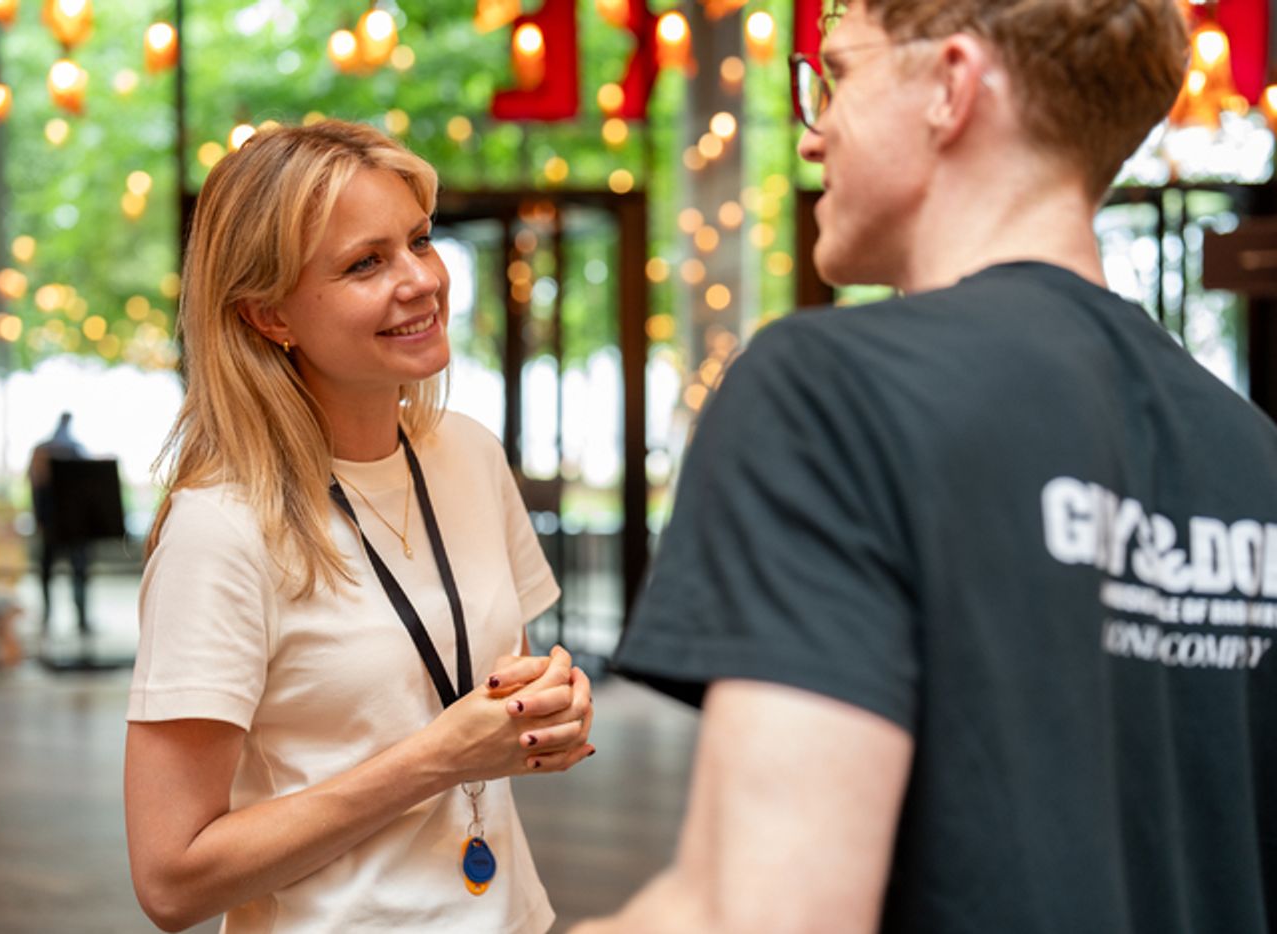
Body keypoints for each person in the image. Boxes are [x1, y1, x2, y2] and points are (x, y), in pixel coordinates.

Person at [577, 2, 1277, 932]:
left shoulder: (826, 391)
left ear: (950, 85)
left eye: (837, 74)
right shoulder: (1250, 450)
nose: (813, 129)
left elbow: (762, 914)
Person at [124, 120, 594, 933]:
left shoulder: (470, 455)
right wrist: (441, 758)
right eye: (365, 263)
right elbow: (172, 880)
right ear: (270, 315)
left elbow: (473, 683)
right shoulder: (221, 532)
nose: (420, 280)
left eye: (419, 240)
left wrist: (547, 708)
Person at [28, 411, 90, 635]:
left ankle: (78, 618)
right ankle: (53, 617)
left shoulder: (54, 450)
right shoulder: (62, 450)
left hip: (65, 524)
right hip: (58, 523)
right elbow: (37, 488)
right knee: (62, 572)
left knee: (76, 572)